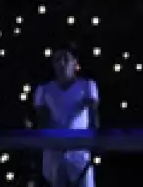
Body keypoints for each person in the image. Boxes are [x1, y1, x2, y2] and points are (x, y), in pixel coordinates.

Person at [34, 47, 100, 187]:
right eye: (57, 60)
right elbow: (41, 121)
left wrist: (96, 142)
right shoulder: (44, 89)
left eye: (66, 59)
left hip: (80, 152)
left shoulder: (87, 85)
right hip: (54, 152)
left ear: (75, 63)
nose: (62, 63)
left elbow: (94, 117)